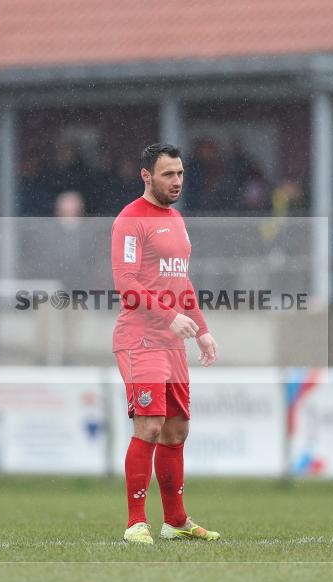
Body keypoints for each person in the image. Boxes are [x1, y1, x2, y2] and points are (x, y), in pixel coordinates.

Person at [111, 143, 220, 545]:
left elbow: (181, 281)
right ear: (146, 176)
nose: (176, 181)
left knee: (176, 430)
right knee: (151, 424)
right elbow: (127, 284)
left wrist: (202, 328)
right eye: (167, 174)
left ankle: (175, 521)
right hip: (140, 338)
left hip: (171, 340)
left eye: (180, 173)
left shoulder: (175, 219)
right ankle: (135, 522)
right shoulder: (130, 220)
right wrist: (170, 316)